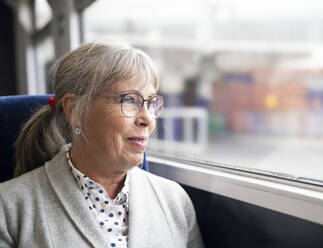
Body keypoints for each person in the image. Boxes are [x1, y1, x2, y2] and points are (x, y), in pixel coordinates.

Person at [0, 41, 204, 248]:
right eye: (130, 100)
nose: (148, 119)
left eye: (152, 103)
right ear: (74, 110)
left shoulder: (175, 200)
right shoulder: (8, 208)